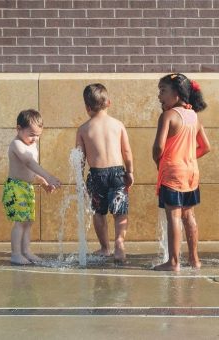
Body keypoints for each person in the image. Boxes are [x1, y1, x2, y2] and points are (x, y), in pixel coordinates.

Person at [152, 73, 211, 272]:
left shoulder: (168, 116)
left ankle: (173, 262)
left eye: (163, 91)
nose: (159, 96)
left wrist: (158, 160)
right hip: (191, 172)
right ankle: (195, 259)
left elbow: (158, 148)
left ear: (176, 94)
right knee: (189, 216)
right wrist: (188, 157)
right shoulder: (194, 116)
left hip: (172, 172)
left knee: (174, 218)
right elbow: (205, 147)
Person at [76, 83, 134, 263]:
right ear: (109, 102)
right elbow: (127, 152)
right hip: (118, 173)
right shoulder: (118, 125)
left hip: (96, 175)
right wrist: (130, 172)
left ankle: (105, 247)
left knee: (99, 212)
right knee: (120, 211)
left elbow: (79, 158)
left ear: (87, 107)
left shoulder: (84, 129)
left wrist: (80, 181)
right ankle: (119, 244)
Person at [2, 109, 61, 265]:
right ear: (18, 129)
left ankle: (26, 251)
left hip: (27, 188)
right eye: (31, 134)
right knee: (20, 222)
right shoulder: (16, 144)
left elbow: (31, 171)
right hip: (15, 188)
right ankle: (15, 253)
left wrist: (43, 182)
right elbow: (29, 163)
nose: (35, 138)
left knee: (28, 221)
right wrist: (49, 176)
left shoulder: (31, 145)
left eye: (38, 135)